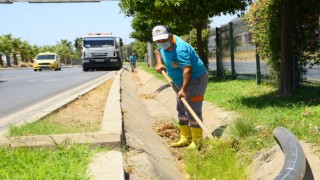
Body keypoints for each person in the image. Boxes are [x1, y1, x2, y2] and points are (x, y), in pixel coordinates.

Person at [152, 25, 208, 150]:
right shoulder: (161, 44)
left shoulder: (180, 48)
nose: (161, 42)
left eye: (163, 40)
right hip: (178, 80)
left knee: (193, 109)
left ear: (170, 36)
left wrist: (183, 90)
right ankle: (185, 137)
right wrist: (159, 63)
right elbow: (157, 51)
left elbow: (187, 70)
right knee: (181, 108)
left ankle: (197, 141)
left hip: (195, 79)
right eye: (158, 40)